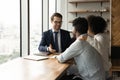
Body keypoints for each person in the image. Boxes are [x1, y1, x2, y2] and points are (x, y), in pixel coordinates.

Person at [86, 15, 112, 80]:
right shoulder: (102, 36)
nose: (87, 28)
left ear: (92, 27)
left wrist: (84, 36)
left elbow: (95, 47)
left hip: (103, 71)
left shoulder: (100, 38)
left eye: (88, 26)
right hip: (105, 69)